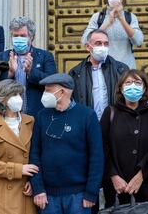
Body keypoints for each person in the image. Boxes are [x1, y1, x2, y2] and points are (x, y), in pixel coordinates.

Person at [29, 73, 104, 214]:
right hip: (47, 197)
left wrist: (91, 191)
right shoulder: (42, 116)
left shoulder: (87, 115)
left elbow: (97, 157)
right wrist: (38, 188)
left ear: (62, 92)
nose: (44, 94)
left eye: (48, 90)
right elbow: (34, 154)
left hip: (79, 196)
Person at [100, 69, 148, 212]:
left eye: (137, 83)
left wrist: (141, 175)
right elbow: (102, 147)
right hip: (117, 186)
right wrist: (113, 175)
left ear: (144, 89)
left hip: (147, 184)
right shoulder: (110, 112)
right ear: (121, 88)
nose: (132, 86)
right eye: (128, 83)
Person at [0, 79, 37, 214]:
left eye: (19, 94)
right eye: (13, 95)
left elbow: (36, 155)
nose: (18, 98)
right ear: (2, 99)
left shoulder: (30, 121)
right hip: (0, 189)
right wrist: (18, 170)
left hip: (24, 188)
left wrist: (34, 182)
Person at [0, 16, 57, 117]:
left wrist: (31, 72)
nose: (19, 39)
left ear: (31, 37)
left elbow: (52, 82)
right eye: (15, 36)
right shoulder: (1, 57)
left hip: (36, 115)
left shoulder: (45, 56)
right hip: (7, 115)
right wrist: (9, 74)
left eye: (23, 36)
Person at [81, 0, 143, 69]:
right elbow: (85, 41)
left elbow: (138, 41)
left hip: (125, 69)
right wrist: (108, 22)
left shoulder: (130, 17)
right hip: (103, 68)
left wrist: (122, 19)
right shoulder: (97, 17)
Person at [69, 29, 129, 120]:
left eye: (106, 43)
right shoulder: (76, 73)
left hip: (115, 123)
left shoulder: (121, 69)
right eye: (98, 43)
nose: (103, 47)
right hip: (88, 123)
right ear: (88, 47)